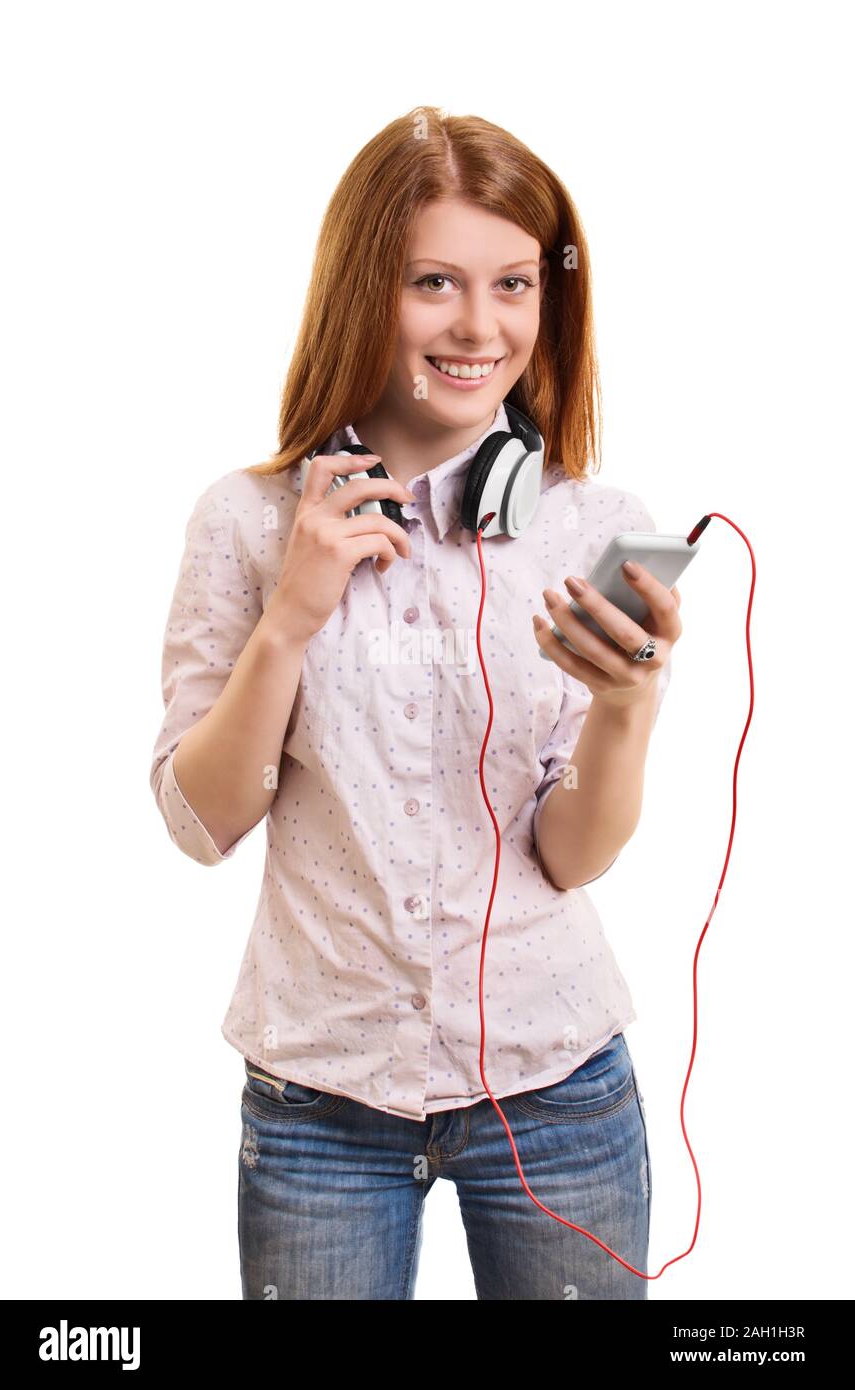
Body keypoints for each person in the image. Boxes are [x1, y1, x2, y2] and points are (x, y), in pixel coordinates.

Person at [149, 105, 683, 1300]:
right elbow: (199, 824)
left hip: (555, 1085)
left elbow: (569, 851)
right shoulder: (244, 523)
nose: (478, 325)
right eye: (432, 281)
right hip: (319, 1099)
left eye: (511, 284)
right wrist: (291, 611)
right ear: (360, 290)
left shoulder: (591, 527)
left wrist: (625, 707)